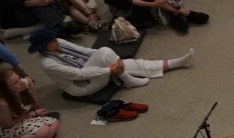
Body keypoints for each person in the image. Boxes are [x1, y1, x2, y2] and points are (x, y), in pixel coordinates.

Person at [29, 27, 192, 96]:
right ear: (44, 47)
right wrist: (110, 69)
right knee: (107, 53)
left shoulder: (59, 42)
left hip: (90, 68)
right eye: (52, 42)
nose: (56, 42)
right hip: (82, 85)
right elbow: (79, 75)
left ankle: (178, 63)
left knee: (129, 62)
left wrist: (112, 61)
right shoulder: (48, 64)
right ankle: (126, 79)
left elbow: (86, 51)